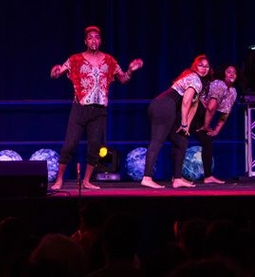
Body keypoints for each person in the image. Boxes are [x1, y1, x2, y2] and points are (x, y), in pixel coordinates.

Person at [49, 25, 143, 190]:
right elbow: (57, 73)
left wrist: (130, 70)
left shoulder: (109, 60)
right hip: (80, 108)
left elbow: (123, 79)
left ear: (101, 41)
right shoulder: (75, 59)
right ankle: (59, 179)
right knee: (70, 144)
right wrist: (54, 72)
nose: (94, 40)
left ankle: (86, 181)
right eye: (90, 37)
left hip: (99, 110)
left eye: (97, 37)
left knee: (94, 146)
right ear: (85, 41)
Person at [140, 55, 212, 189]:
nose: (204, 69)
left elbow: (194, 105)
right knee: (157, 140)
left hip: (164, 107)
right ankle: (147, 177)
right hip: (164, 106)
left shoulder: (197, 82)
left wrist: (187, 126)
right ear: (195, 66)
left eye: (206, 66)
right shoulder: (194, 79)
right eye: (200, 65)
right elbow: (186, 102)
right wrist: (183, 123)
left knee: (181, 141)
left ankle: (177, 179)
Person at [192, 64, 239, 184]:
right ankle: (176, 176)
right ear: (224, 74)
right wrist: (206, 126)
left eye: (234, 72)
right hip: (195, 111)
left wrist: (216, 130)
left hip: (203, 117)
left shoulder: (233, 92)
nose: (232, 74)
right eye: (229, 71)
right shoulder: (220, 84)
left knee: (207, 142)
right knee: (181, 140)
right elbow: (211, 107)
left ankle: (208, 176)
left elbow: (225, 113)